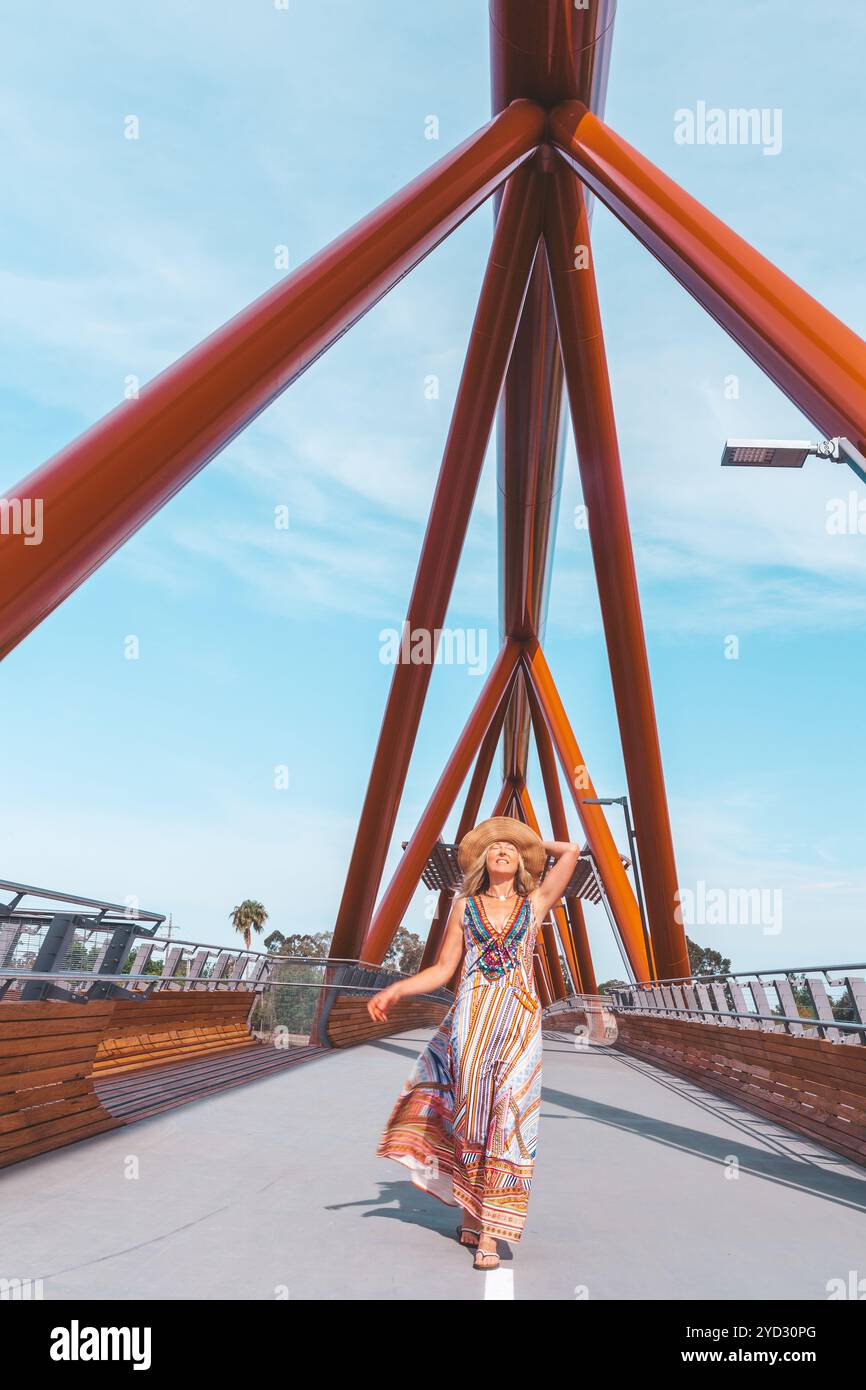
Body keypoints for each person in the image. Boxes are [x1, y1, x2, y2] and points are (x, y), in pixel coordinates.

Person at [368, 816, 581, 1270]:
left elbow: (573, 851)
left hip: (520, 1020)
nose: (501, 851)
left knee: (509, 1116)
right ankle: (470, 1209)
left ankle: (491, 1232)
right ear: (482, 860)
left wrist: (528, 840)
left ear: (520, 859)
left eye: (509, 848)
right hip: (474, 1018)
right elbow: (444, 970)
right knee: (475, 1115)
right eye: (493, 847)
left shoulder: (535, 902)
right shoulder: (465, 906)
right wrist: (396, 988)